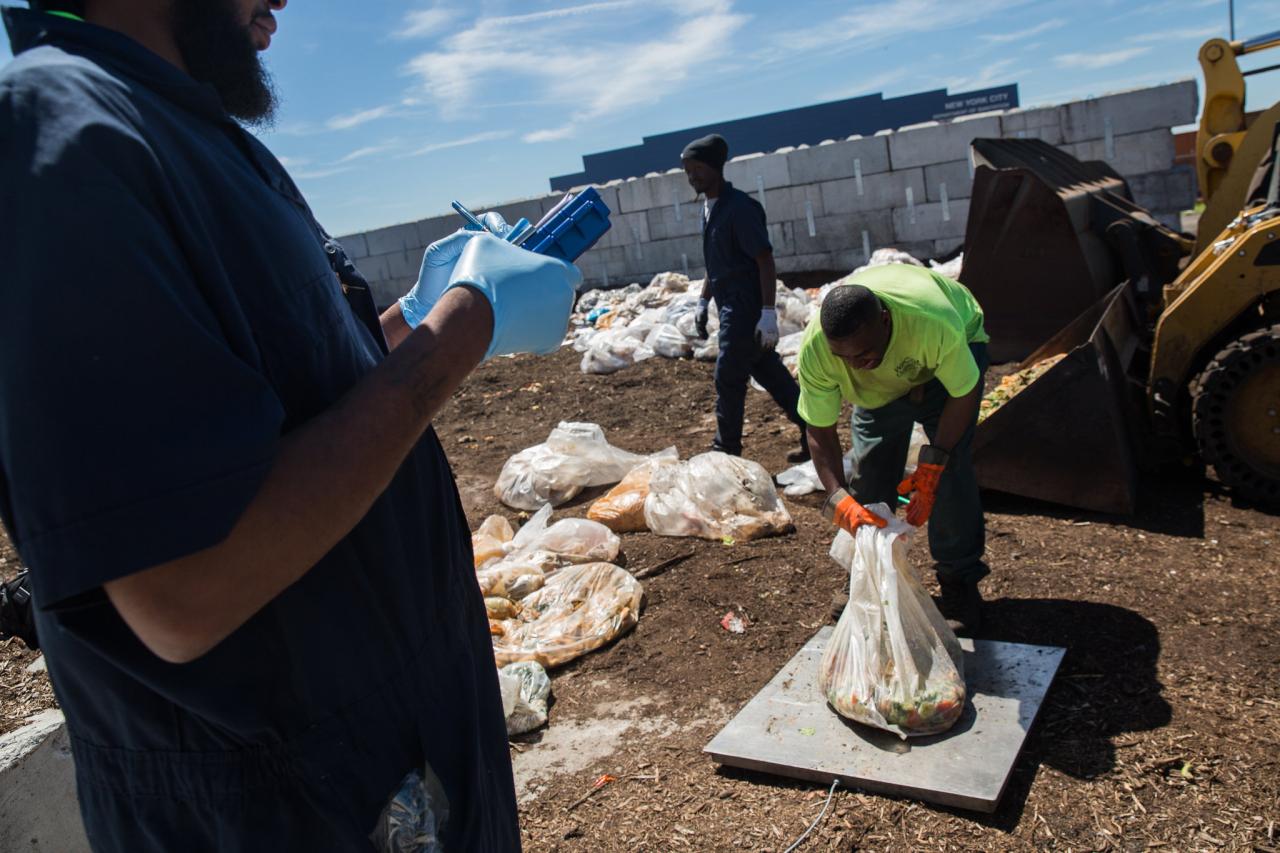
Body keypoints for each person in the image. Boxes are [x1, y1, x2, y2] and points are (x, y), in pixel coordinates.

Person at [0, 1, 580, 849]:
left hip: (397, 773)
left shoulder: (189, 134)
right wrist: (463, 327)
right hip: (286, 810)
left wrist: (411, 322)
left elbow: (294, 402)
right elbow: (180, 588)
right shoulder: (58, 138)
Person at [798, 264, 991, 634]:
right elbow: (819, 429)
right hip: (883, 387)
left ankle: (959, 580)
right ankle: (867, 574)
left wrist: (933, 466)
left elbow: (963, 393)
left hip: (949, 358)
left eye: (864, 354)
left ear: (884, 321)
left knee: (948, 473)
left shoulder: (932, 322)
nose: (855, 366)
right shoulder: (818, 350)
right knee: (870, 474)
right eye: (844, 357)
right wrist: (838, 498)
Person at [680, 133, 809, 463]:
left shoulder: (739, 209)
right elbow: (715, 264)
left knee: (728, 377)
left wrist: (767, 312)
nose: (692, 176)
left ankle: (727, 451)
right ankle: (813, 432)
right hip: (728, 304)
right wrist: (702, 302)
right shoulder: (710, 210)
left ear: (715, 167)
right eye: (688, 171)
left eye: (697, 169)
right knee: (770, 373)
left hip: (745, 306)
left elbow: (764, 259)